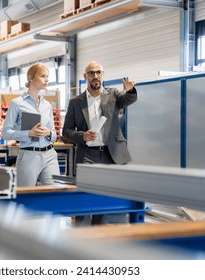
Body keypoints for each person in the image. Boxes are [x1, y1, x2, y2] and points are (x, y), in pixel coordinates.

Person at [62, 60, 137, 225]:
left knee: (105, 199)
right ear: (85, 76)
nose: (95, 76)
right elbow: (66, 131)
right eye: (91, 73)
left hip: (112, 154)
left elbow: (129, 99)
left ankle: (100, 234)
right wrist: (82, 135)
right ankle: (81, 237)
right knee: (85, 197)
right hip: (88, 154)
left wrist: (130, 89)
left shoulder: (114, 95)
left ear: (103, 75)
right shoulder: (76, 102)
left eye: (98, 72)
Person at [2, 63, 60, 186]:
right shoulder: (17, 103)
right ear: (31, 78)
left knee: (55, 194)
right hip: (29, 156)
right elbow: (5, 133)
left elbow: (54, 134)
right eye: (43, 76)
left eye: (47, 76)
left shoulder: (47, 105)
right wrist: (29, 133)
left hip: (49, 155)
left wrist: (48, 133)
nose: (47, 79)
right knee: (25, 195)